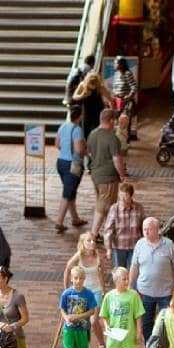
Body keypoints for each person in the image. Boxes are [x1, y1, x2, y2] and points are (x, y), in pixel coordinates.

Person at [130, 218, 174, 343]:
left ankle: (164, 346)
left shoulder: (169, 245)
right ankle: (150, 346)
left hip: (166, 292)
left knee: (167, 321)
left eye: (149, 229)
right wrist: (130, 283)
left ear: (157, 230)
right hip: (144, 292)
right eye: (144, 229)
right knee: (146, 321)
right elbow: (134, 265)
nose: (146, 232)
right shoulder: (140, 244)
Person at [63, 233, 108, 348]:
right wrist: (67, 290)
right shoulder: (79, 256)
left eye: (94, 241)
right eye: (89, 241)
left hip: (96, 291)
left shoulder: (98, 255)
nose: (92, 243)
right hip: (81, 292)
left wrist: (104, 290)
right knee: (84, 322)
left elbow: (101, 273)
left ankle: (101, 346)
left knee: (94, 321)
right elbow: (67, 269)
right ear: (83, 243)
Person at [101, 265, 144, 348]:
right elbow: (105, 314)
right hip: (114, 337)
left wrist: (139, 331)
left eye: (127, 279)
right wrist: (106, 325)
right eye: (124, 279)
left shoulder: (133, 296)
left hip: (128, 335)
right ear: (116, 280)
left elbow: (138, 315)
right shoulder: (109, 296)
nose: (127, 281)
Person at [85, 108, 127, 239]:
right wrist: (122, 173)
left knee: (103, 202)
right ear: (111, 121)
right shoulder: (112, 138)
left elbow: (90, 153)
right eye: (115, 121)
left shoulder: (92, 134)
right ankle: (93, 233)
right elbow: (117, 159)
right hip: (108, 176)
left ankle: (110, 230)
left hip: (96, 174)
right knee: (104, 205)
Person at [59, 266, 98, 348]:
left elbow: (92, 310)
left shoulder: (88, 294)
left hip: (82, 328)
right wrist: (66, 318)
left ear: (84, 279)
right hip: (69, 329)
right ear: (71, 278)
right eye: (76, 278)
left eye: (81, 278)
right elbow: (63, 309)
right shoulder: (66, 293)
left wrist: (77, 316)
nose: (78, 281)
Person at [54, 104, 86, 232]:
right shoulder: (77, 129)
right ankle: (59, 222)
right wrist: (85, 152)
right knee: (67, 193)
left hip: (61, 162)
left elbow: (57, 144)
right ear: (80, 116)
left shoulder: (63, 126)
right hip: (73, 164)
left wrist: (65, 151)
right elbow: (78, 150)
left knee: (70, 190)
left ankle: (75, 219)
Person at [103, 182, 145, 270]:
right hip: (118, 247)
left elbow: (143, 227)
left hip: (135, 246)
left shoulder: (139, 208)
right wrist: (108, 249)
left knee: (134, 271)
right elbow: (108, 230)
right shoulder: (114, 209)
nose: (121, 198)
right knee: (120, 272)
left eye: (125, 196)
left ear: (131, 196)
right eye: (120, 195)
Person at [72, 70, 113, 139]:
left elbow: (110, 99)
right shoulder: (82, 85)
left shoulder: (100, 87)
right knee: (86, 129)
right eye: (91, 84)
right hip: (87, 111)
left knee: (98, 129)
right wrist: (82, 95)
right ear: (87, 82)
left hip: (98, 111)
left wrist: (111, 111)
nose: (93, 87)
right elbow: (74, 97)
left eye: (94, 85)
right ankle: (87, 145)